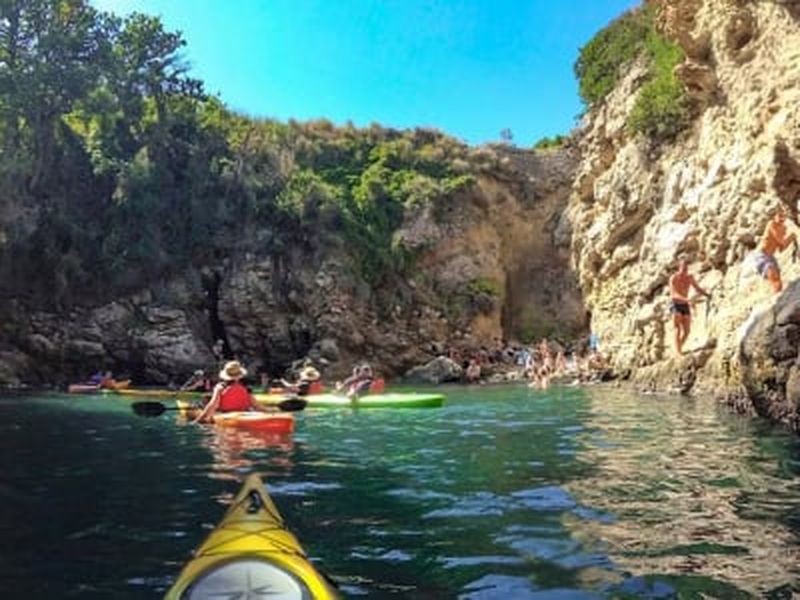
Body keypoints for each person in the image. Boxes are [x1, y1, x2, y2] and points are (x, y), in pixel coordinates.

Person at [193, 361, 269, 423]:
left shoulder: (220, 387)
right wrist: (270, 414)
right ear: (239, 375)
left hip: (226, 415)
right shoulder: (245, 388)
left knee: (204, 400)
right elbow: (257, 406)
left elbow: (213, 405)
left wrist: (199, 420)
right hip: (245, 414)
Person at [669, 258, 711, 354]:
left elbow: (697, 288)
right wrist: (687, 300)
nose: (684, 271)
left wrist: (707, 295)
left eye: (686, 269)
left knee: (687, 331)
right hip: (676, 304)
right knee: (677, 328)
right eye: (683, 268)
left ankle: (680, 347)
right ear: (679, 268)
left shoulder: (690, 278)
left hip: (685, 304)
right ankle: (678, 352)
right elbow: (673, 294)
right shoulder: (674, 278)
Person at [755, 205, 797, 293]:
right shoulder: (771, 224)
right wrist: (791, 236)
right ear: (775, 216)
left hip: (771, 257)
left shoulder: (782, 228)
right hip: (762, 256)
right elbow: (781, 241)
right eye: (780, 216)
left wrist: (791, 239)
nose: (782, 218)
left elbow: (781, 248)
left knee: (779, 283)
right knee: (774, 281)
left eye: (784, 216)